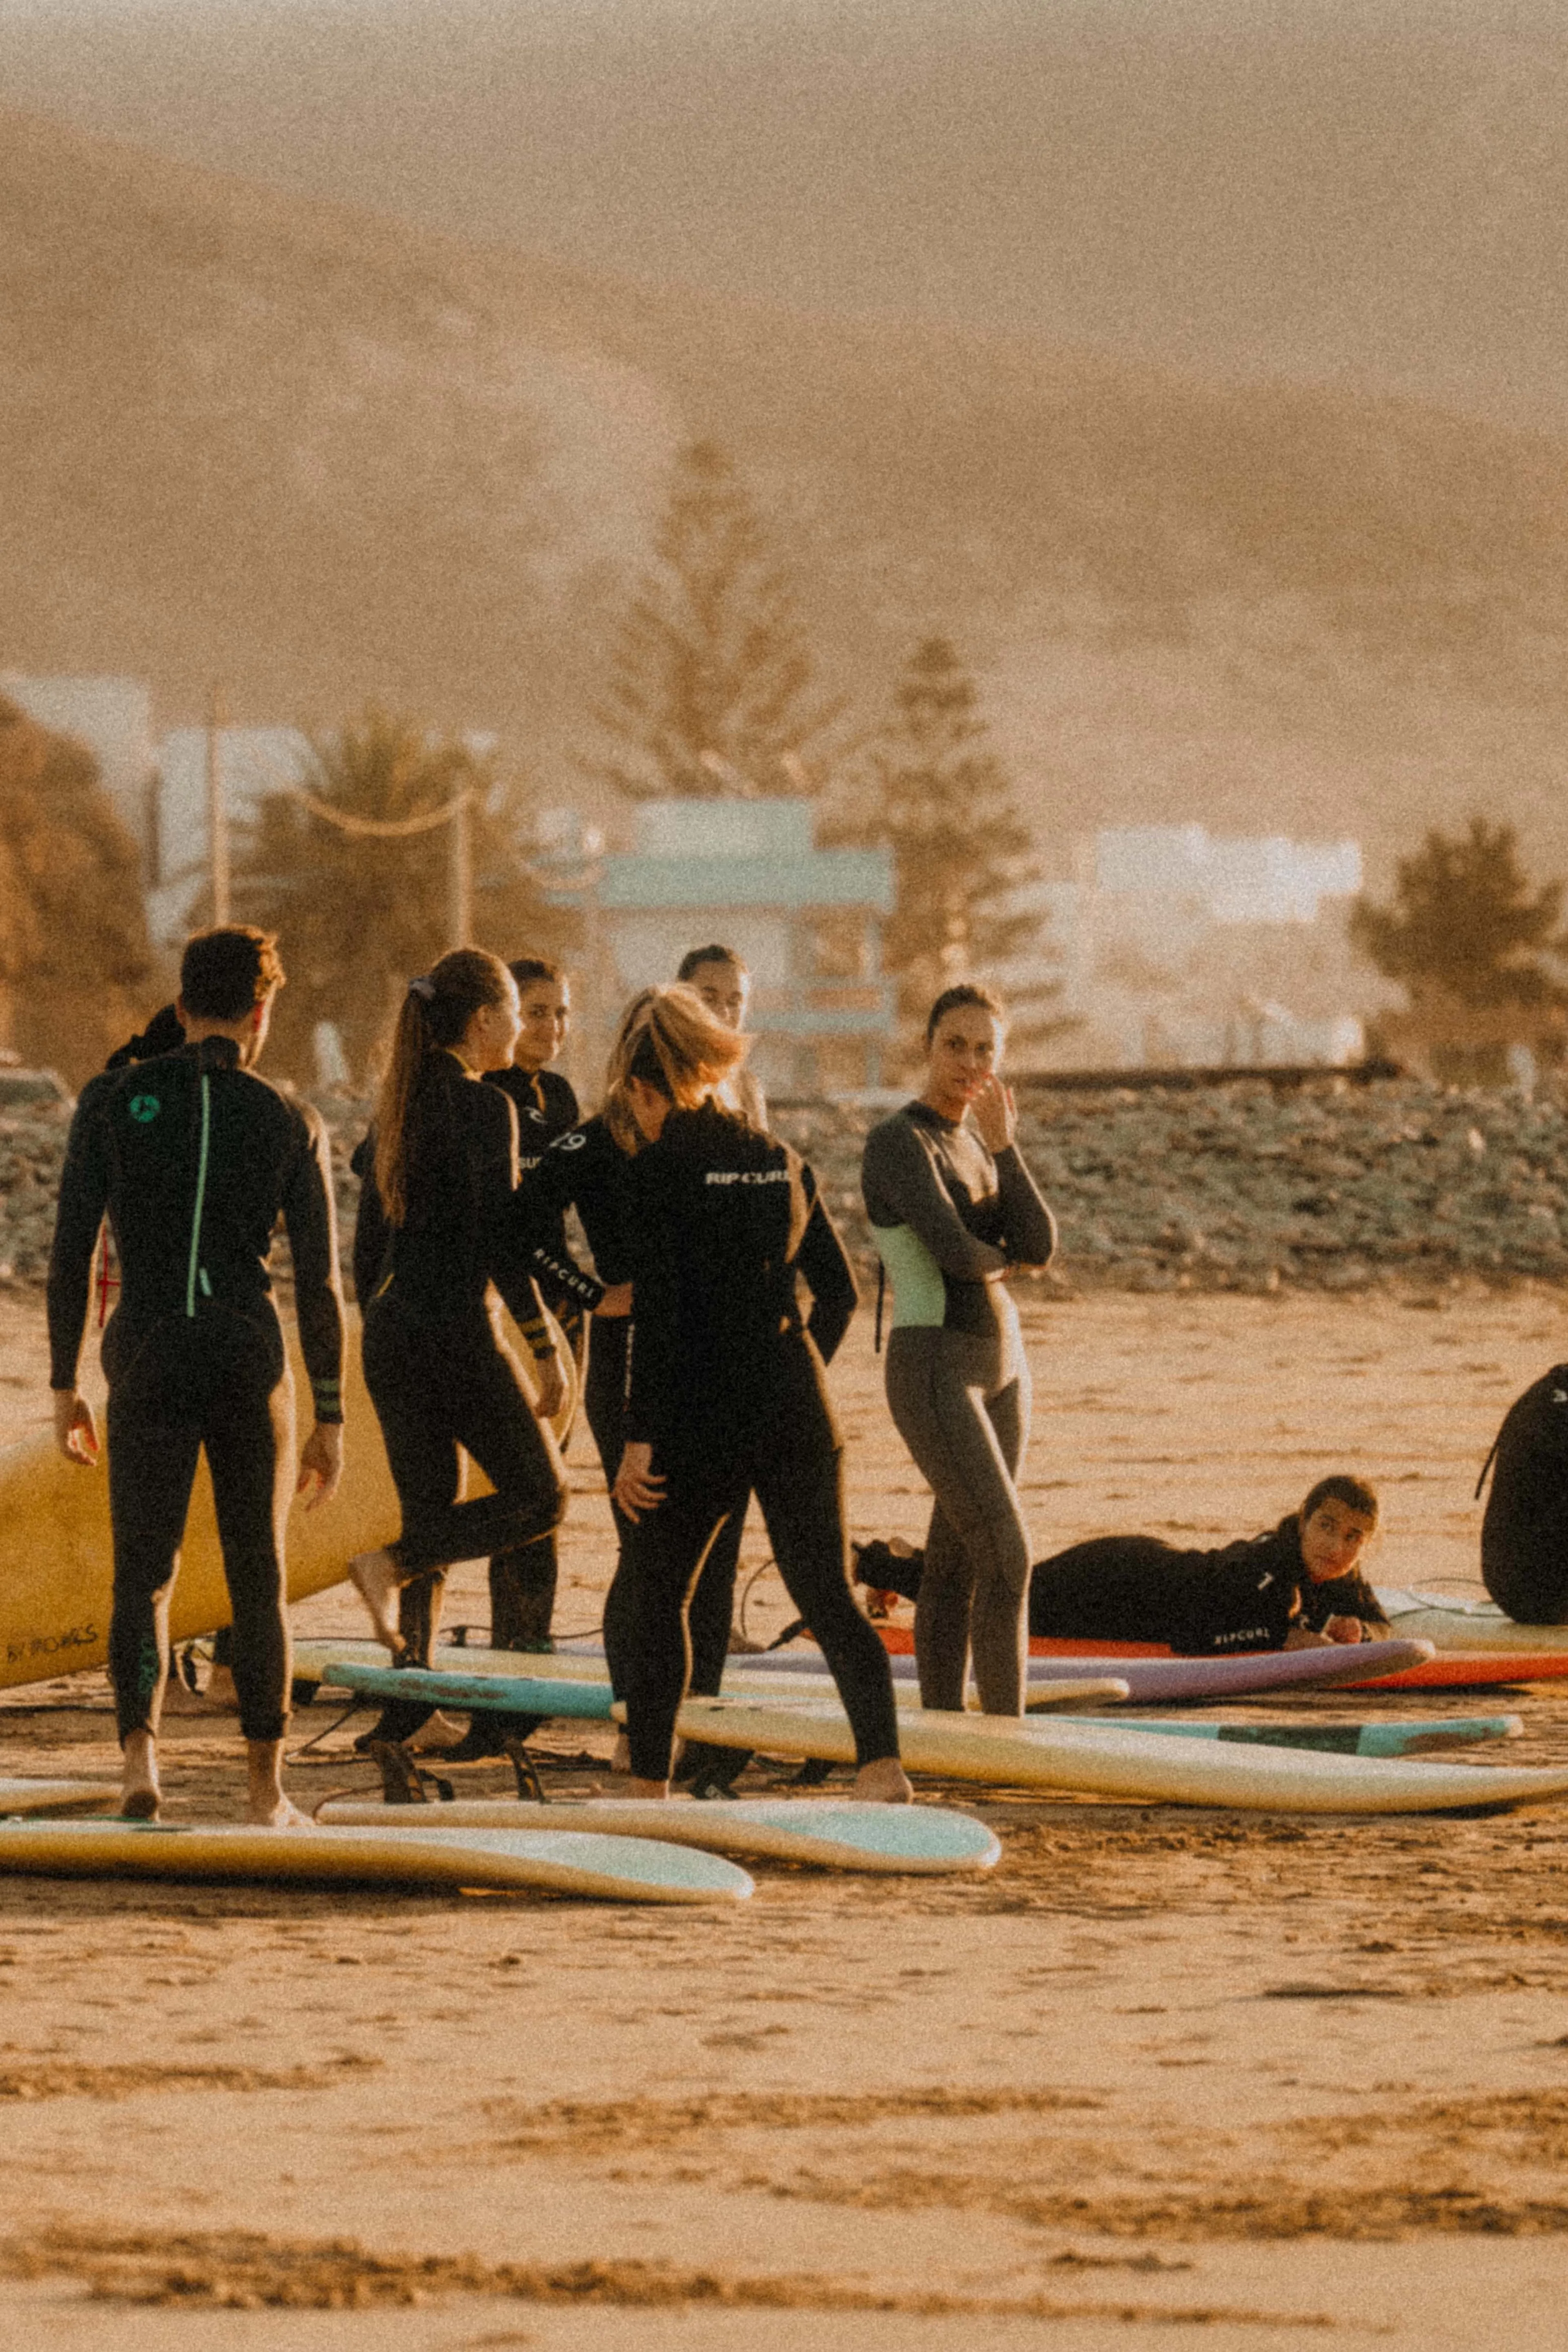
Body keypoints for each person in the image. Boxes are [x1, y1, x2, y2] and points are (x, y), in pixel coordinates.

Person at [46, 926, 345, 1824]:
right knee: (259, 1571)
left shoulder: (110, 1099)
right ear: (262, 1013)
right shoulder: (293, 1118)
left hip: (145, 1348)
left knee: (143, 1570)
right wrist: (329, 1410)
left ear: (180, 1006)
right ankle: (266, 1789)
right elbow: (322, 1282)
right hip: (249, 1355)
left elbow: (69, 1256)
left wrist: (63, 1384)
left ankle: (142, 1762)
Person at [610, 985, 910, 1802]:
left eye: (631, 1101)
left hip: (702, 1412)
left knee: (660, 1591)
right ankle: (882, 1766)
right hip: (793, 1400)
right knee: (825, 1591)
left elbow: (662, 1313)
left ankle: (646, 1782)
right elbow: (840, 1294)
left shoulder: (661, 1167)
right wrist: (794, 1368)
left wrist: (639, 1436)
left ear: (649, 1089)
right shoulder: (781, 1158)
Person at [345, 951, 568, 1741]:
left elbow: (365, 1251)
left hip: (393, 1333)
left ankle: (407, 1707)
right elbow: (504, 1242)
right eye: (515, 1010)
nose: (523, 1026)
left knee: (430, 1505)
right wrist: (545, 1343)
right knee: (544, 1496)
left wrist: (382, 1323)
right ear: (483, 1022)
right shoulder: (486, 1108)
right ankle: (391, 1561)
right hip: (456, 1332)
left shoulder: (397, 1106)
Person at [861, 983, 1056, 1717]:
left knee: (955, 1564)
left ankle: (943, 1723)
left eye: (985, 1050)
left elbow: (1039, 1242)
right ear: (928, 1046)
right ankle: (1007, 1731)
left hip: (1005, 1371)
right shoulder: (897, 1141)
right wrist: (1001, 1255)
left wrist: (1005, 1145)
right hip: (935, 1367)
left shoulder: (979, 1142)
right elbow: (954, 1251)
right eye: (955, 1045)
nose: (969, 1061)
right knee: (1010, 1553)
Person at [855, 1476, 1391, 1656]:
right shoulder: (1268, 1571)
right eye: (1326, 1527)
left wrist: (1359, 1628)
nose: (1338, 1547)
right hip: (1114, 1582)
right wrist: (1286, 1638)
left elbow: (1381, 1622)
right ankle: (879, 1563)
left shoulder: (1340, 1569)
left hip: (1148, 1567)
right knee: (1000, 1603)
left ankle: (908, 1560)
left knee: (1005, 1590)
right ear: (1303, 1522)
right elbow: (1194, 1641)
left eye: (1353, 1537)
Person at [475, 955, 579, 1683]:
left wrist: (586, 1291)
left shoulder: (563, 1097)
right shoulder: (480, 1090)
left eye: (562, 1013)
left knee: (550, 1490)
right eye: (536, 1011)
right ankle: (491, 1659)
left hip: (565, 1313)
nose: (550, 1027)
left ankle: (525, 1654)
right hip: (503, 1311)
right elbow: (506, 1232)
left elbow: (563, 1218)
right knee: (510, 1488)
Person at [676, 944, 767, 1130]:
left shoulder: (747, 1087)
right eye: (709, 999)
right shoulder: (661, 1079)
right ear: (680, 1000)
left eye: (734, 1002)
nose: (724, 1013)